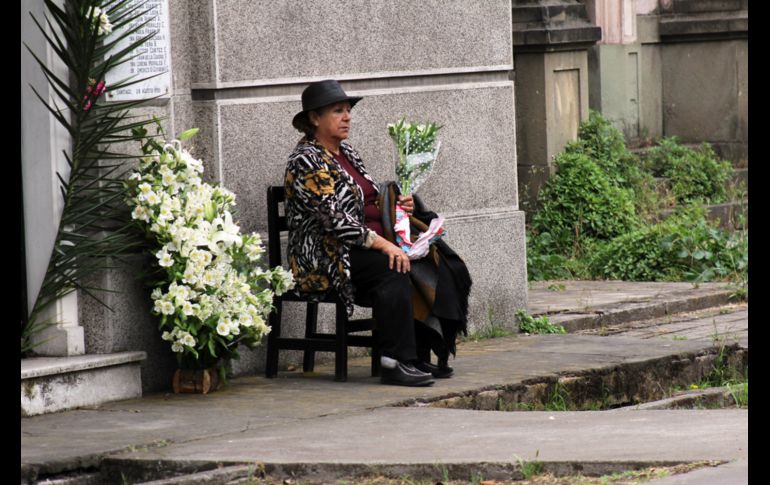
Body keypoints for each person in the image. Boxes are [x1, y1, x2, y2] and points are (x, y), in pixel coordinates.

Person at [284, 79, 466, 386]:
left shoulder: (347, 152)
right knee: (392, 266)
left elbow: (370, 199)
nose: (347, 117)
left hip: (361, 248)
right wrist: (383, 244)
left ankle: (417, 355)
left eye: (348, 110)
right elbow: (332, 219)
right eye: (338, 111)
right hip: (327, 255)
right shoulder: (306, 160)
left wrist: (400, 204)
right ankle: (393, 362)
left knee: (430, 261)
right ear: (314, 118)